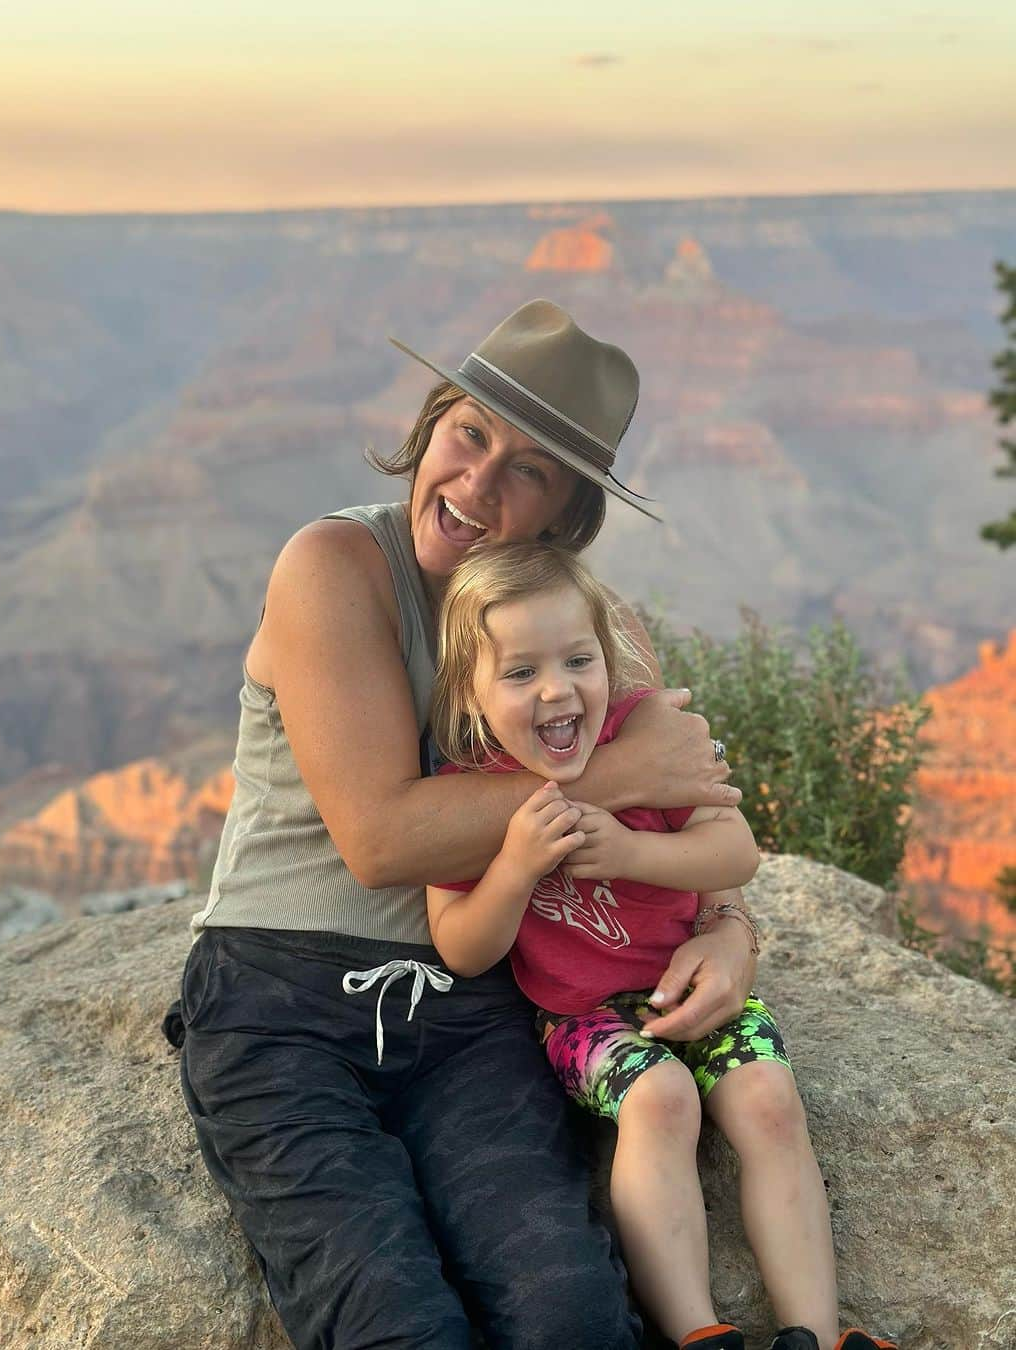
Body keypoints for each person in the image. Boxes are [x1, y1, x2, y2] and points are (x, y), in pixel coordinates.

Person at [171, 299, 760, 1350]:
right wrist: (618, 773)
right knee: (394, 1322)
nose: (477, 485)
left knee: (571, 1316)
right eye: (469, 433)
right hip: (280, 1001)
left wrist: (727, 930)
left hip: (475, 1007)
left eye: (528, 469)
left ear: (567, 513)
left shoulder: (591, 629)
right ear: (432, 421)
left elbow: (689, 821)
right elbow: (382, 840)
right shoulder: (336, 566)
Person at [426, 540, 897, 1350]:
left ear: (610, 661)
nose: (556, 689)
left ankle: (813, 1335)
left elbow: (734, 850)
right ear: (468, 693)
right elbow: (462, 947)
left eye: (579, 659)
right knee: (662, 1102)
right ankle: (696, 1333)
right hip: (579, 1015)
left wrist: (633, 853)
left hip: (696, 984)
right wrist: (512, 867)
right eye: (519, 672)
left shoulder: (647, 736)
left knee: (770, 1104)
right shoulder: (464, 793)